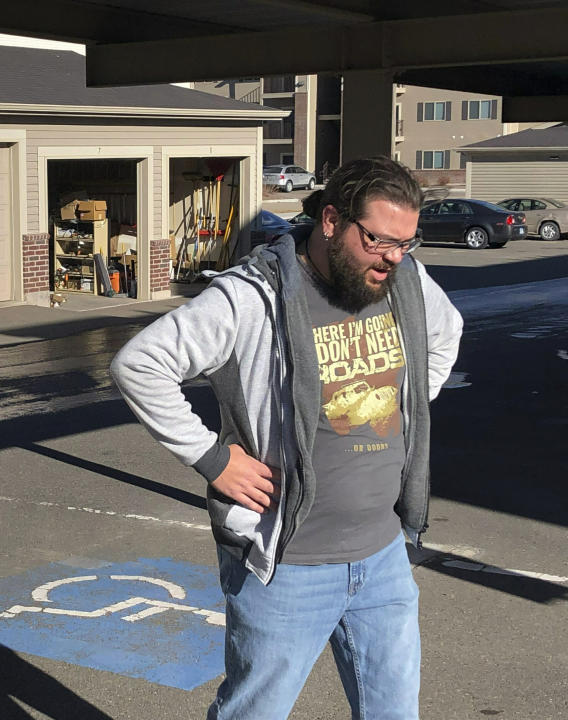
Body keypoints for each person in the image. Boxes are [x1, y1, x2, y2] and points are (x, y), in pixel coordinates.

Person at [109, 156, 463, 720]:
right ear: (330, 221)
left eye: (407, 242)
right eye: (377, 241)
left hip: (383, 555)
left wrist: (407, 409)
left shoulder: (406, 281)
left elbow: (446, 334)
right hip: (286, 564)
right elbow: (140, 364)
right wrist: (211, 457)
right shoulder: (253, 296)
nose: (394, 257)